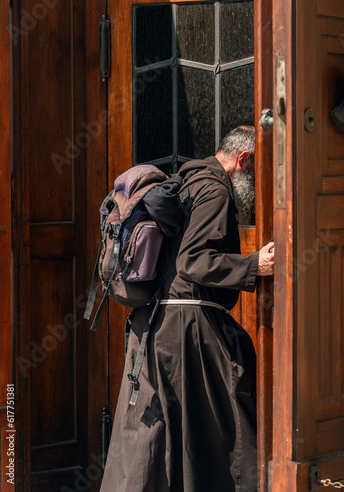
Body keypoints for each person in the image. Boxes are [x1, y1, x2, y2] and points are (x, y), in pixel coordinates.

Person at [99, 125, 275, 492]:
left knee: (160, 437)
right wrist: (252, 265)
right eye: (259, 171)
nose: (258, 185)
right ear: (243, 160)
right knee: (230, 431)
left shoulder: (187, 182)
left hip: (158, 325)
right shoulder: (214, 190)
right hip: (188, 328)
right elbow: (194, 262)